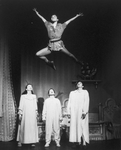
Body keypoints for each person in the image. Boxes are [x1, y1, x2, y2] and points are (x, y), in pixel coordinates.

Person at [67, 81, 90, 148]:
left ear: (83, 85)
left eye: (80, 83)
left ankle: (84, 140)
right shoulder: (72, 93)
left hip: (82, 111)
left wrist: (84, 112)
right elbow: (70, 102)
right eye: (78, 83)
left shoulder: (85, 92)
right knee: (75, 126)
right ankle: (77, 140)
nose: (78, 83)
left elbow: (86, 102)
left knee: (82, 125)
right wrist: (69, 112)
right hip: (74, 112)